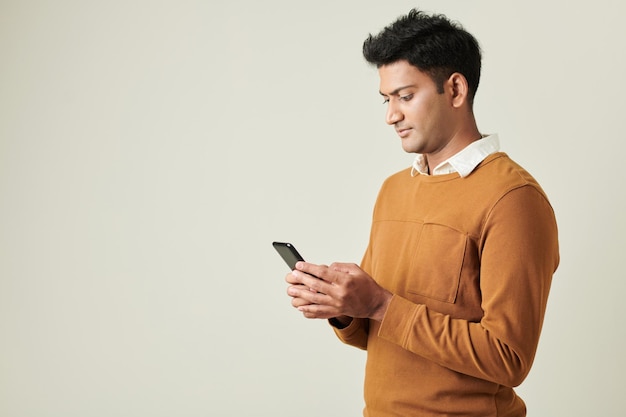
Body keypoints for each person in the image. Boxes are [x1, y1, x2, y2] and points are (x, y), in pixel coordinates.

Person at [285, 9, 559, 417]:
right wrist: (345, 309)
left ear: (455, 89)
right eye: (387, 99)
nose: (390, 115)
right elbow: (384, 333)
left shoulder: (513, 198)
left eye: (405, 96)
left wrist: (380, 305)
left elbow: (509, 358)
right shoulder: (393, 190)